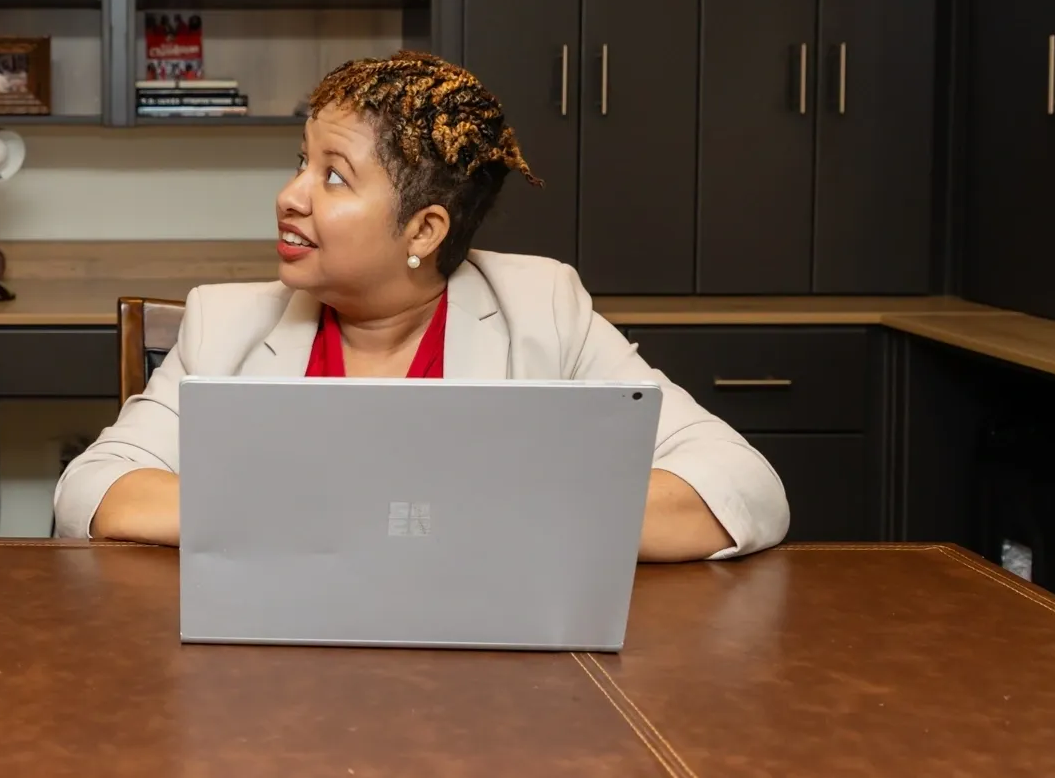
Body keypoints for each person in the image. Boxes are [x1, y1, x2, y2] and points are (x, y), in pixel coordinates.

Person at [54, 51, 789, 561]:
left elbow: (742, 486)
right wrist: (313, 517)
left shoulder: (542, 311)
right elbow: (91, 490)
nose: (291, 195)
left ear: (424, 228)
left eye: (334, 177)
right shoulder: (225, 321)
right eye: (300, 161)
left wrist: (485, 517)